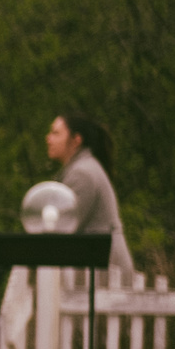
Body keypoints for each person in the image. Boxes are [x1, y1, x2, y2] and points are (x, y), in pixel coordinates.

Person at [48, 112, 135, 275]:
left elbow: (63, 229)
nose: (48, 139)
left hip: (107, 272)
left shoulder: (81, 173)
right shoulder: (83, 167)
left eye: (56, 133)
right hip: (101, 270)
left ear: (76, 140)